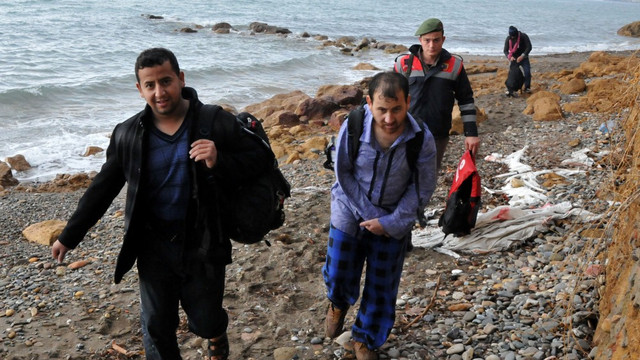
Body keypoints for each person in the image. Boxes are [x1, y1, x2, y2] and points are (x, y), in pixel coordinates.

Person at [51, 47, 271, 360]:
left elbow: (261, 158)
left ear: (180, 79)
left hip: (204, 242)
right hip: (152, 245)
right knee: (156, 326)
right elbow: (102, 188)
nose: (160, 92)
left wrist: (220, 160)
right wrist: (69, 235)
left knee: (205, 321)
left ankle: (215, 332)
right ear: (139, 89)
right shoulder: (128, 135)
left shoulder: (213, 122)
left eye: (166, 81)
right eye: (150, 85)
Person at [323, 71, 437, 360]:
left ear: (408, 102)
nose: (389, 118)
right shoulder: (353, 126)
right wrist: (370, 215)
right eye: (382, 110)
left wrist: (391, 222)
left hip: (393, 216)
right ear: (369, 103)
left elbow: (422, 187)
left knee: (382, 284)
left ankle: (364, 338)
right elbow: (343, 174)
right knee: (339, 271)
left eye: (396, 109)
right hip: (349, 208)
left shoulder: (421, 137)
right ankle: (337, 302)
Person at [394, 18, 480, 172]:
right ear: (420, 40)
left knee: (429, 176)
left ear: (443, 39)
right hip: (406, 131)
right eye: (427, 40)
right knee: (401, 175)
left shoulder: (455, 66)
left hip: (438, 135)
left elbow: (466, 100)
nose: (431, 45)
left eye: (436, 40)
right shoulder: (403, 64)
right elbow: (389, 97)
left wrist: (471, 133)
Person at [503, 25, 533, 95]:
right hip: (514, 59)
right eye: (511, 36)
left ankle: (527, 87)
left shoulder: (523, 36)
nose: (513, 37)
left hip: (524, 58)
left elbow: (529, 47)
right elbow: (505, 50)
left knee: (527, 72)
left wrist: (522, 56)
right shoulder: (508, 39)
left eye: (514, 36)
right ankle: (510, 89)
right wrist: (509, 57)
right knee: (512, 74)